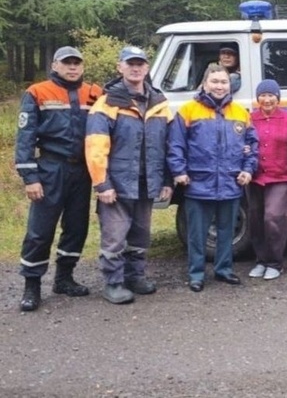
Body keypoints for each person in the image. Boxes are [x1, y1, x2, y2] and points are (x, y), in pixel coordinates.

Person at [14, 46, 103, 313]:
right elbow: (25, 137)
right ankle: (32, 286)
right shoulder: (37, 92)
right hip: (51, 168)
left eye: (77, 63)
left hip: (82, 171)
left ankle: (64, 278)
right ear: (55, 65)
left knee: (77, 228)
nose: (72, 67)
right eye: (67, 63)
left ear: (83, 67)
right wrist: (30, 177)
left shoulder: (95, 93)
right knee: (40, 231)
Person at [85, 46, 173, 305]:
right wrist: (102, 184)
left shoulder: (160, 102)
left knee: (141, 235)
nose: (136, 68)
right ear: (119, 67)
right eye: (130, 64)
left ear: (147, 68)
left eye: (140, 64)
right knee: (114, 237)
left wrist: (168, 180)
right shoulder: (107, 102)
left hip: (148, 182)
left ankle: (135, 277)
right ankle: (113, 283)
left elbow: (171, 145)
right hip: (117, 184)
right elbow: (95, 146)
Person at [167, 64, 258, 292]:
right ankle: (196, 274)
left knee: (226, 231)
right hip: (198, 183)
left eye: (223, 82)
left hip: (230, 182)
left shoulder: (240, 112)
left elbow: (252, 145)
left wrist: (248, 169)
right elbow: (175, 144)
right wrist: (179, 171)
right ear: (205, 83)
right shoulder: (188, 110)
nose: (219, 86)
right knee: (197, 234)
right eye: (215, 81)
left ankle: (224, 269)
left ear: (230, 85)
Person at [247, 78, 287, 280]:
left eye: (271, 95)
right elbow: (242, 141)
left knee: (273, 218)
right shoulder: (249, 118)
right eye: (263, 95)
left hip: (280, 176)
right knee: (256, 220)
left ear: (278, 98)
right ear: (258, 98)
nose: (267, 99)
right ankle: (261, 260)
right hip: (255, 177)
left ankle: (275, 262)